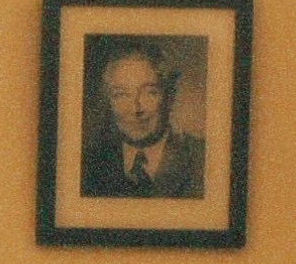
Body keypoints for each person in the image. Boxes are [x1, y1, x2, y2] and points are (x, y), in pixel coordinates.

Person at [82, 39, 205, 198]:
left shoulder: (203, 159)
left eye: (149, 93)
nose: (135, 109)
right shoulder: (89, 162)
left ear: (169, 97)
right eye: (121, 95)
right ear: (108, 101)